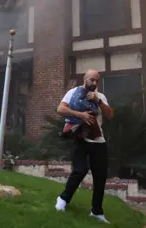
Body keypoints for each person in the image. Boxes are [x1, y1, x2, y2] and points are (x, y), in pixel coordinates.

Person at [54, 69, 114, 223]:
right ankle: (62, 199)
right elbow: (60, 109)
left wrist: (98, 101)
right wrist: (80, 115)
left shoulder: (100, 96)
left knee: (100, 177)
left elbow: (110, 115)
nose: (94, 83)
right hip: (80, 138)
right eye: (91, 80)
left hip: (99, 141)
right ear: (84, 79)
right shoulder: (73, 92)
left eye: (96, 81)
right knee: (80, 170)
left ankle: (97, 212)